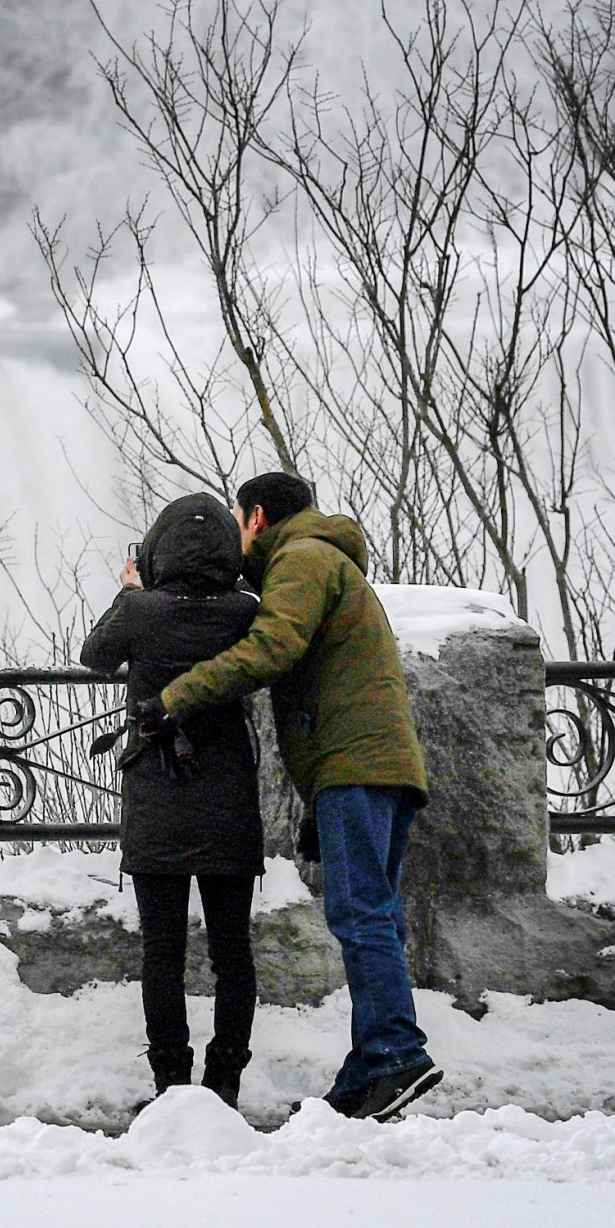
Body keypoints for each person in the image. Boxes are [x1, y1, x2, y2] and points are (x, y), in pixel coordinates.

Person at [146, 471, 441, 1122]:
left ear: (255, 518)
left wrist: (175, 695)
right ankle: (369, 1066)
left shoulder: (303, 558)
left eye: (236, 522)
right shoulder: (326, 558)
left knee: (362, 913)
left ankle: (394, 1052)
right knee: (376, 913)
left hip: (356, 766)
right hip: (374, 765)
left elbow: (273, 645)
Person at [81, 494, 263, 1109]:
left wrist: (129, 592)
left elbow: (94, 656)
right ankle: (225, 1080)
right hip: (228, 796)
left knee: (162, 951)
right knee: (232, 950)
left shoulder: (140, 611)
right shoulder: (244, 612)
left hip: (158, 795)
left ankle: (171, 1085)